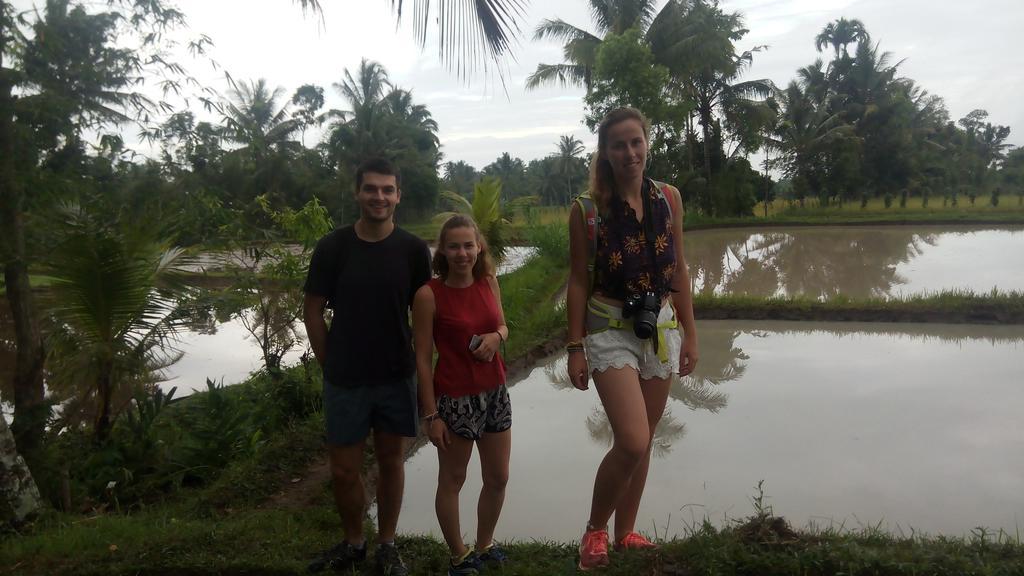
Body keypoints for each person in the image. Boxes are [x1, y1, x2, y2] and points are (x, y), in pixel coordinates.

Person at [565, 107, 699, 571]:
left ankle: (626, 533)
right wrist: (575, 346)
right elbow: (579, 281)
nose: (629, 152)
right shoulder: (587, 210)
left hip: (659, 327)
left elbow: (679, 268)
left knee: (646, 438)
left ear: (647, 143)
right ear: (605, 152)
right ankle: (594, 531)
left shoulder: (668, 198)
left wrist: (691, 334)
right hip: (608, 329)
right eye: (619, 144)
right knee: (632, 437)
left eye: (636, 142)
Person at [303, 157, 431, 575]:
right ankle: (354, 541)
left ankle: (387, 543)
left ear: (399, 195)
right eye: (371, 188)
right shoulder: (333, 247)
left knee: (392, 461)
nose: (379, 196)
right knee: (343, 470)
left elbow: (425, 314)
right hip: (346, 377)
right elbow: (313, 310)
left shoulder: (413, 251)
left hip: (396, 373)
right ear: (357, 192)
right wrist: (330, 362)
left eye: (387, 189)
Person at [412, 214, 512, 576]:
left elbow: (502, 324)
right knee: (453, 480)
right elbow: (423, 359)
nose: (462, 253)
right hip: (454, 399)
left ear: (478, 246)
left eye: (468, 245)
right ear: (442, 250)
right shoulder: (428, 295)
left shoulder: (488, 281)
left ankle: (484, 544)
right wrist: (431, 415)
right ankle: (459, 555)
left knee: (498, 477)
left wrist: (496, 337)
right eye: (453, 246)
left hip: (495, 392)